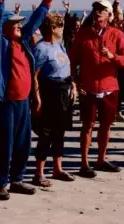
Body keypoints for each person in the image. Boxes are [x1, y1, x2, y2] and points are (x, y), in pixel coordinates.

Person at [0, 0, 53, 201]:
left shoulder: (22, 42)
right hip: (5, 101)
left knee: (24, 143)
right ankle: (1, 183)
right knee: (6, 143)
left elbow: (34, 22)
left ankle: (17, 179)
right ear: (5, 28)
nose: (18, 26)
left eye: (18, 23)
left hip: (24, 101)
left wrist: (47, 1)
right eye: (13, 23)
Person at [69, 0, 124, 178]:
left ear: (109, 15)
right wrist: (74, 82)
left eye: (102, 10)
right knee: (87, 126)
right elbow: (72, 60)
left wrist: (113, 57)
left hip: (109, 88)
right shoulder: (83, 34)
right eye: (95, 9)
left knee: (106, 126)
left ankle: (101, 160)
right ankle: (84, 163)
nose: (97, 12)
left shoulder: (117, 34)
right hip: (87, 88)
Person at [31, 12, 76, 187]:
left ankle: (58, 168)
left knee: (60, 132)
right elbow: (34, 76)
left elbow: (66, 69)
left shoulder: (59, 45)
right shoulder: (41, 48)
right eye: (60, 25)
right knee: (46, 134)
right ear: (52, 28)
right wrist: (37, 100)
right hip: (49, 93)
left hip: (63, 93)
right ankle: (39, 173)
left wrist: (73, 85)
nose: (62, 29)